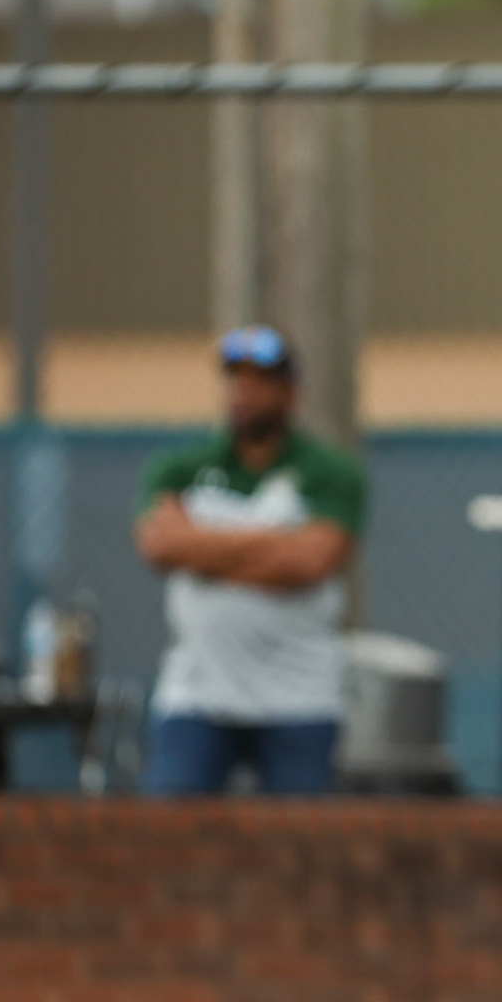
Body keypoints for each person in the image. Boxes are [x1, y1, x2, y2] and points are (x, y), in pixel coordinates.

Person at [133, 325, 366, 795]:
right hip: (197, 695)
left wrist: (202, 551)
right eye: (235, 381)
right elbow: (160, 546)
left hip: (298, 699)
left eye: (260, 382)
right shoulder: (179, 468)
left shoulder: (330, 473)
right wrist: (271, 545)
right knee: (167, 837)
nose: (244, 393)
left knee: (299, 851)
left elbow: (310, 562)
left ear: (290, 392)